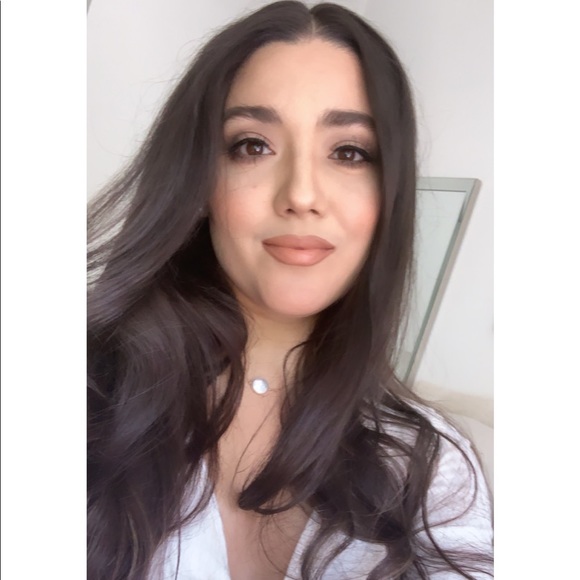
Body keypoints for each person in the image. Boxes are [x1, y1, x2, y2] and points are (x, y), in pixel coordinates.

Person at [87, 2, 493, 579]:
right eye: (252, 145)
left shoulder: (428, 464)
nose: (301, 194)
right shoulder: (88, 395)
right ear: (198, 182)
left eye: (349, 152)